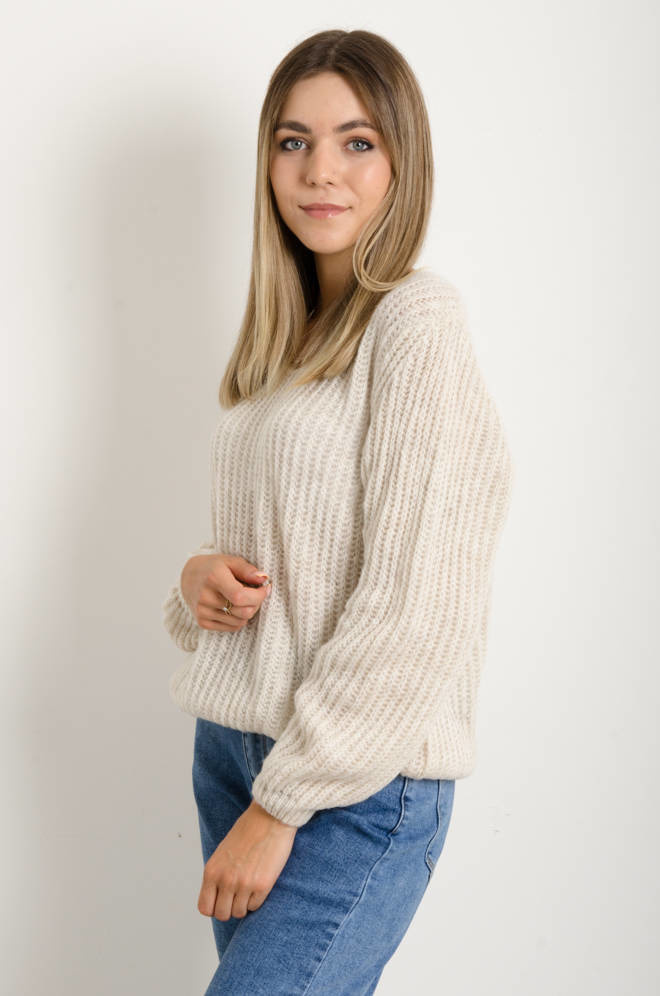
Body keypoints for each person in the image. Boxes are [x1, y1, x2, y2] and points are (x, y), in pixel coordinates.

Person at [162, 27, 514, 996]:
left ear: (404, 162)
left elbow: (417, 607)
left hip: (354, 782)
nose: (320, 171)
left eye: (358, 141)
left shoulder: (417, 323)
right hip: (236, 747)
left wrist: (283, 804)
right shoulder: (284, 347)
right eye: (294, 141)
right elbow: (293, 557)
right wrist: (196, 584)